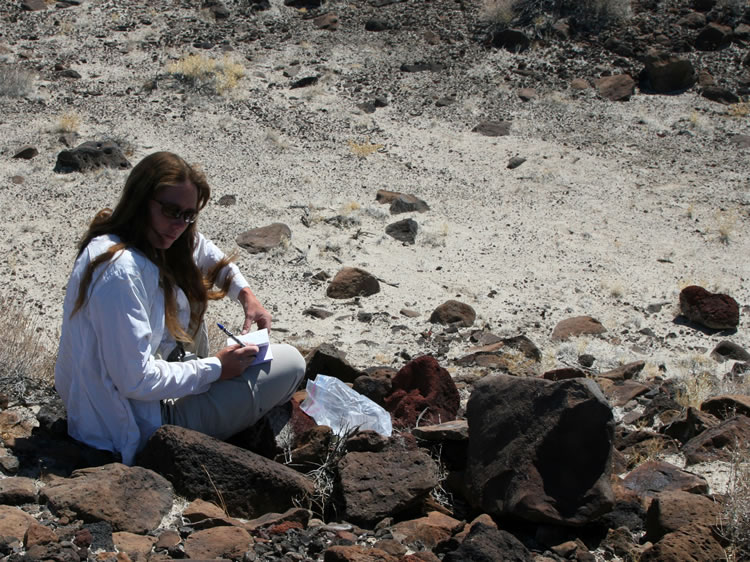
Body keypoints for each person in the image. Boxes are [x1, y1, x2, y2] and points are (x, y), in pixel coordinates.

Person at [54, 151, 306, 465]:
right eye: (172, 211)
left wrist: (246, 296)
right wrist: (216, 368)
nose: (178, 225)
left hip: (108, 406)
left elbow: (201, 249)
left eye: (188, 215)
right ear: (141, 199)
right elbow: (136, 380)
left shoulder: (120, 239)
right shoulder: (122, 273)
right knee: (292, 363)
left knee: (189, 301)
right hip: (134, 424)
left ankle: (205, 385)